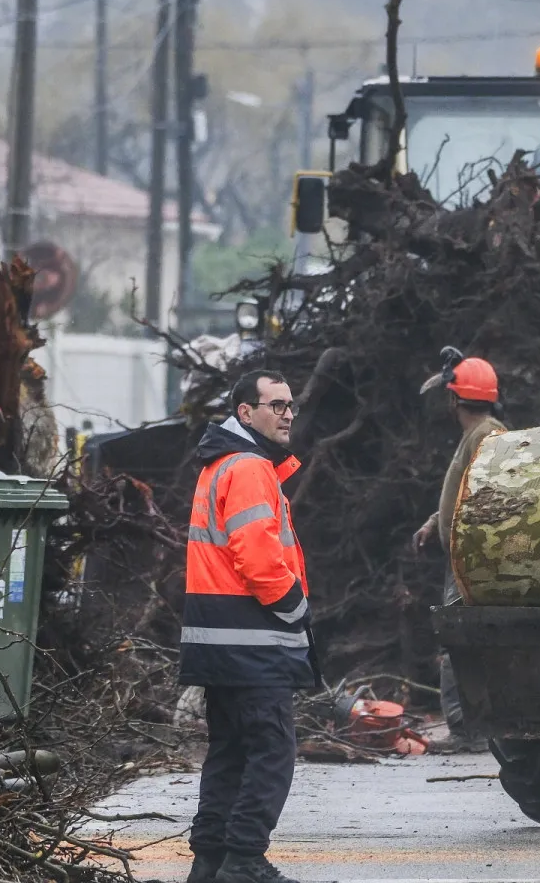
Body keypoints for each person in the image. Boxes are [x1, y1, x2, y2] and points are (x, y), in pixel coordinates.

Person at [180, 370, 316, 883]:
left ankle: (210, 862)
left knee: (231, 753)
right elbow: (258, 559)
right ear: (244, 413)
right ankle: (243, 860)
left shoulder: (220, 465)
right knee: (272, 752)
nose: (286, 414)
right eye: (275, 405)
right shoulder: (250, 467)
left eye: (289, 405)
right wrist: (296, 608)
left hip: (220, 642)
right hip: (253, 642)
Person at [412, 356, 506, 555]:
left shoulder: (485, 434)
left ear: (454, 400)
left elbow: (491, 500)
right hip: (464, 559)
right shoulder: (475, 433)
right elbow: (465, 494)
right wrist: (435, 522)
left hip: (476, 561)